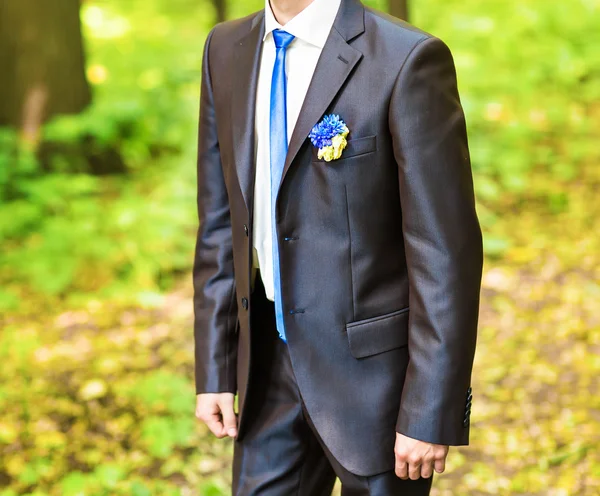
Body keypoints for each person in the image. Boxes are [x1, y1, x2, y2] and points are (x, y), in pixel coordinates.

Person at [192, 0, 483, 493]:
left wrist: (429, 409)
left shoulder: (406, 58)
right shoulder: (225, 48)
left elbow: (444, 253)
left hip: (377, 385)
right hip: (269, 370)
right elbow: (220, 222)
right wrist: (216, 366)